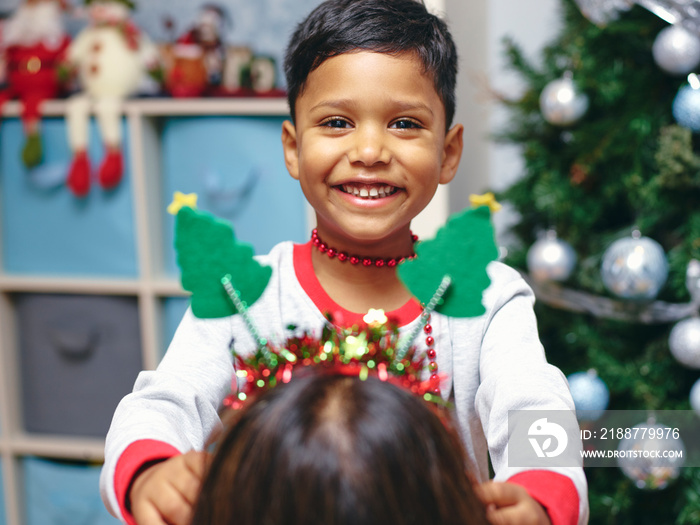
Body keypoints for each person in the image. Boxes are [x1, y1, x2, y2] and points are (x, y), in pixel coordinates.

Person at [100, 1, 589, 524]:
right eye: (337, 122)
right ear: (293, 147)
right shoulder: (243, 294)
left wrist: (540, 500)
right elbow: (162, 404)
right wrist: (150, 473)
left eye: (404, 123)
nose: (370, 150)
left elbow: (538, 411)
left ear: (448, 153)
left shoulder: (485, 295)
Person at [192, 372, 490, 525]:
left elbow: (531, 410)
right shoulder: (239, 289)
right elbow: (169, 397)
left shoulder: (491, 293)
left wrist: (534, 486)